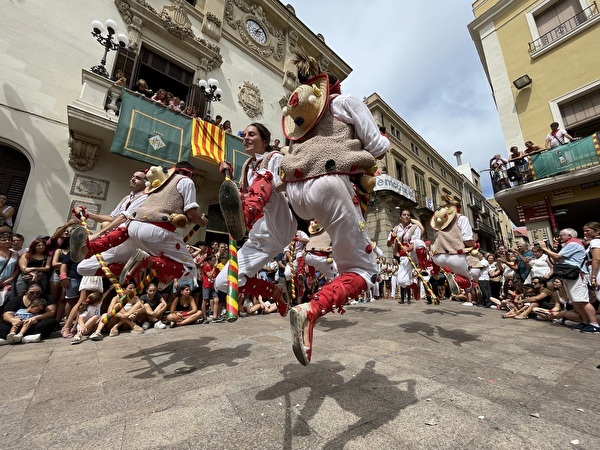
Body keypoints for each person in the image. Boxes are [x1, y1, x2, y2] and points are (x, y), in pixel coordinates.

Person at [279, 48, 389, 365]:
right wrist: (381, 137)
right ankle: (311, 309)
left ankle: (253, 205)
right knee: (363, 271)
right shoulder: (346, 102)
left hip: (296, 194)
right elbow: (378, 147)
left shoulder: (299, 122)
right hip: (329, 185)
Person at [72, 162, 208, 288]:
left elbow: (122, 220)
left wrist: (94, 226)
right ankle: (146, 263)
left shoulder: (159, 184)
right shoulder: (186, 181)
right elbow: (191, 214)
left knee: (126, 228)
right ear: (191, 174)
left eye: (138, 177)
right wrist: (203, 222)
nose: (133, 179)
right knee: (190, 270)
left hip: (133, 226)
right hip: (155, 231)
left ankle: (90, 249)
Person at [216, 123, 297, 316]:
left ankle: (243, 218)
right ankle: (274, 292)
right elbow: (246, 195)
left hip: (279, 221)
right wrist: (230, 182)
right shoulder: (246, 168)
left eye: (252, 134)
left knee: (267, 179)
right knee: (222, 282)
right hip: (258, 236)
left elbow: (284, 185)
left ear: (265, 141)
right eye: (244, 135)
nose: (245, 138)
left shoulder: (274, 157)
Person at [72, 171, 148, 278]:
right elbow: (112, 218)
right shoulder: (126, 198)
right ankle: (123, 268)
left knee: (85, 263)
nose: (133, 179)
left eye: (138, 178)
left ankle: (87, 247)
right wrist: (88, 214)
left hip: (128, 240)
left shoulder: (146, 197)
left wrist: (97, 234)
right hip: (115, 241)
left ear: (147, 183)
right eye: (132, 176)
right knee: (82, 268)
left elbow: (123, 218)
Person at [539, 228, 598, 333]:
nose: (559, 237)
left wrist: (544, 248)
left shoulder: (573, 244)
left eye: (561, 235)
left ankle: (594, 324)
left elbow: (557, 256)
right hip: (570, 275)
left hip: (577, 275)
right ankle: (585, 322)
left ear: (569, 236)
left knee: (582, 301)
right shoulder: (569, 244)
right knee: (577, 301)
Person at [430, 195, 476, 306]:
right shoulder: (461, 218)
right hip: (455, 255)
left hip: (438, 256)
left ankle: (434, 273)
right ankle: (464, 283)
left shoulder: (439, 222)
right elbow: (467, 239)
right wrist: (474, 246)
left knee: (433, 257)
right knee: (468, 278)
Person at [387, 210, 427, 304]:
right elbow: (388, 244)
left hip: (413, 253)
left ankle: (422, 265)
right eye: (404, 215)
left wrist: (409, 249)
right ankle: (413, 286)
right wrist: (392, 238)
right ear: (400, 217)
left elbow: (414, 242)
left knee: (420, 243)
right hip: (403, 257)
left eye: (408, 215)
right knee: (401, 281)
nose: (406, 216)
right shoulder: (395, 228)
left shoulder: (414, 228)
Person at [0, 232, 19, 307]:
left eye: (9, 240)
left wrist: (11, 278)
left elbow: (17, 269)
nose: (7, 241)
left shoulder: (15, 254)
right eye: (4, 240)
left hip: (8, 282)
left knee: (5, 303)